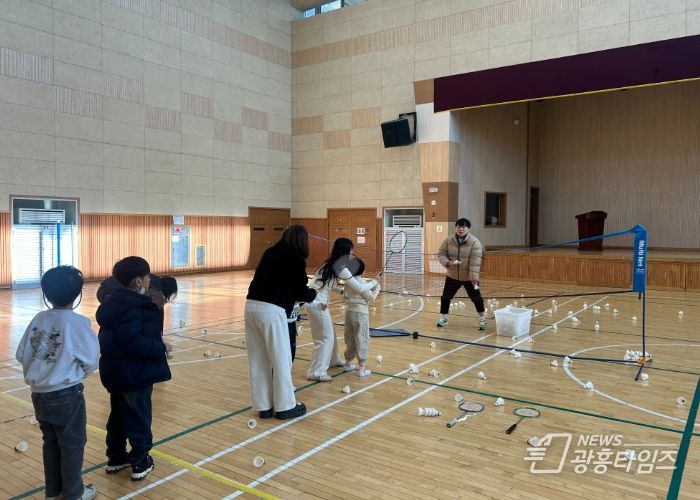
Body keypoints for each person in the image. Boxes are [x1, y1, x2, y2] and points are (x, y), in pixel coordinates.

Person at [15, 266, 99, 500]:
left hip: (39, 395)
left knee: (50, 442)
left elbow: (21, 354)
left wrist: (44, 368)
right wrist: (73, 373)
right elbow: (92, 360)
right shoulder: (78, 323)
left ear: (46, 293)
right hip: (66, 394)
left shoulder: (39, 319)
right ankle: (73, 494)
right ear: (78, 294)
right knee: (72, 444)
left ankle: (53, 493)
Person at [96, 256, 171, 481]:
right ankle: (140, 460)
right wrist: (160, 347)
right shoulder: (138, 306)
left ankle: (116, 457)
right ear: (138, 281)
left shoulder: (111, 304)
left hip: (115, 372)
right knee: (139, 416)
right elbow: (132, 341)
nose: (149, 281)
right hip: (135, 373)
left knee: (118, 416)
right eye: (147, 278)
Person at [245, 225, 316, 420]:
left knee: (258, 359)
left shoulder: (270, 252)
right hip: (271, 311)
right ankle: (285, 406)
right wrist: (313, 293)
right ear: (302, 241)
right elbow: (301, 292)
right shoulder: (296, 259)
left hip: (250, 307)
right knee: (281, 359)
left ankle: (264, 406)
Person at [304, 238, 353, 382]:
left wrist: (340, 291)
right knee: (325, 337)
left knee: (329, 333)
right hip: (317, 304)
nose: (352, 253)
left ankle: (333, 360)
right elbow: (356, 285)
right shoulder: (339, 267)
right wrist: (373, 284)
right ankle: (316, 372)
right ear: (345, 251)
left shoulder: (330, 264)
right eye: (351, 250)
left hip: (316, 302)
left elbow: (327, 284)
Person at [436, 218, 486, 330]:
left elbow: (475, 262)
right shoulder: (448, 240)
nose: (461, 229)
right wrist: (447, 263)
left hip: (469, 277)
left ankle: (482, 319)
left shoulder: (475, 242)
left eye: (463, 227)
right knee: (446, 297)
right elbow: (441, 253)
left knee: (476, 298)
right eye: (459, 227)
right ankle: (443, 317)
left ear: (468, 229)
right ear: (456, 228)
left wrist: (474, 278)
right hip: (452, 276)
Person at [342, 257, 380, 377]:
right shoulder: (362, 284)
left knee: (350, 338)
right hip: (361, 315)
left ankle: (348, 364)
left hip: (349, 313)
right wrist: (377, 287)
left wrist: (372, 284)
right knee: (362, 338)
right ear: (362, 271)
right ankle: (361, 370)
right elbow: (371, 298)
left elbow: (345, 296)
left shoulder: (349, 283)